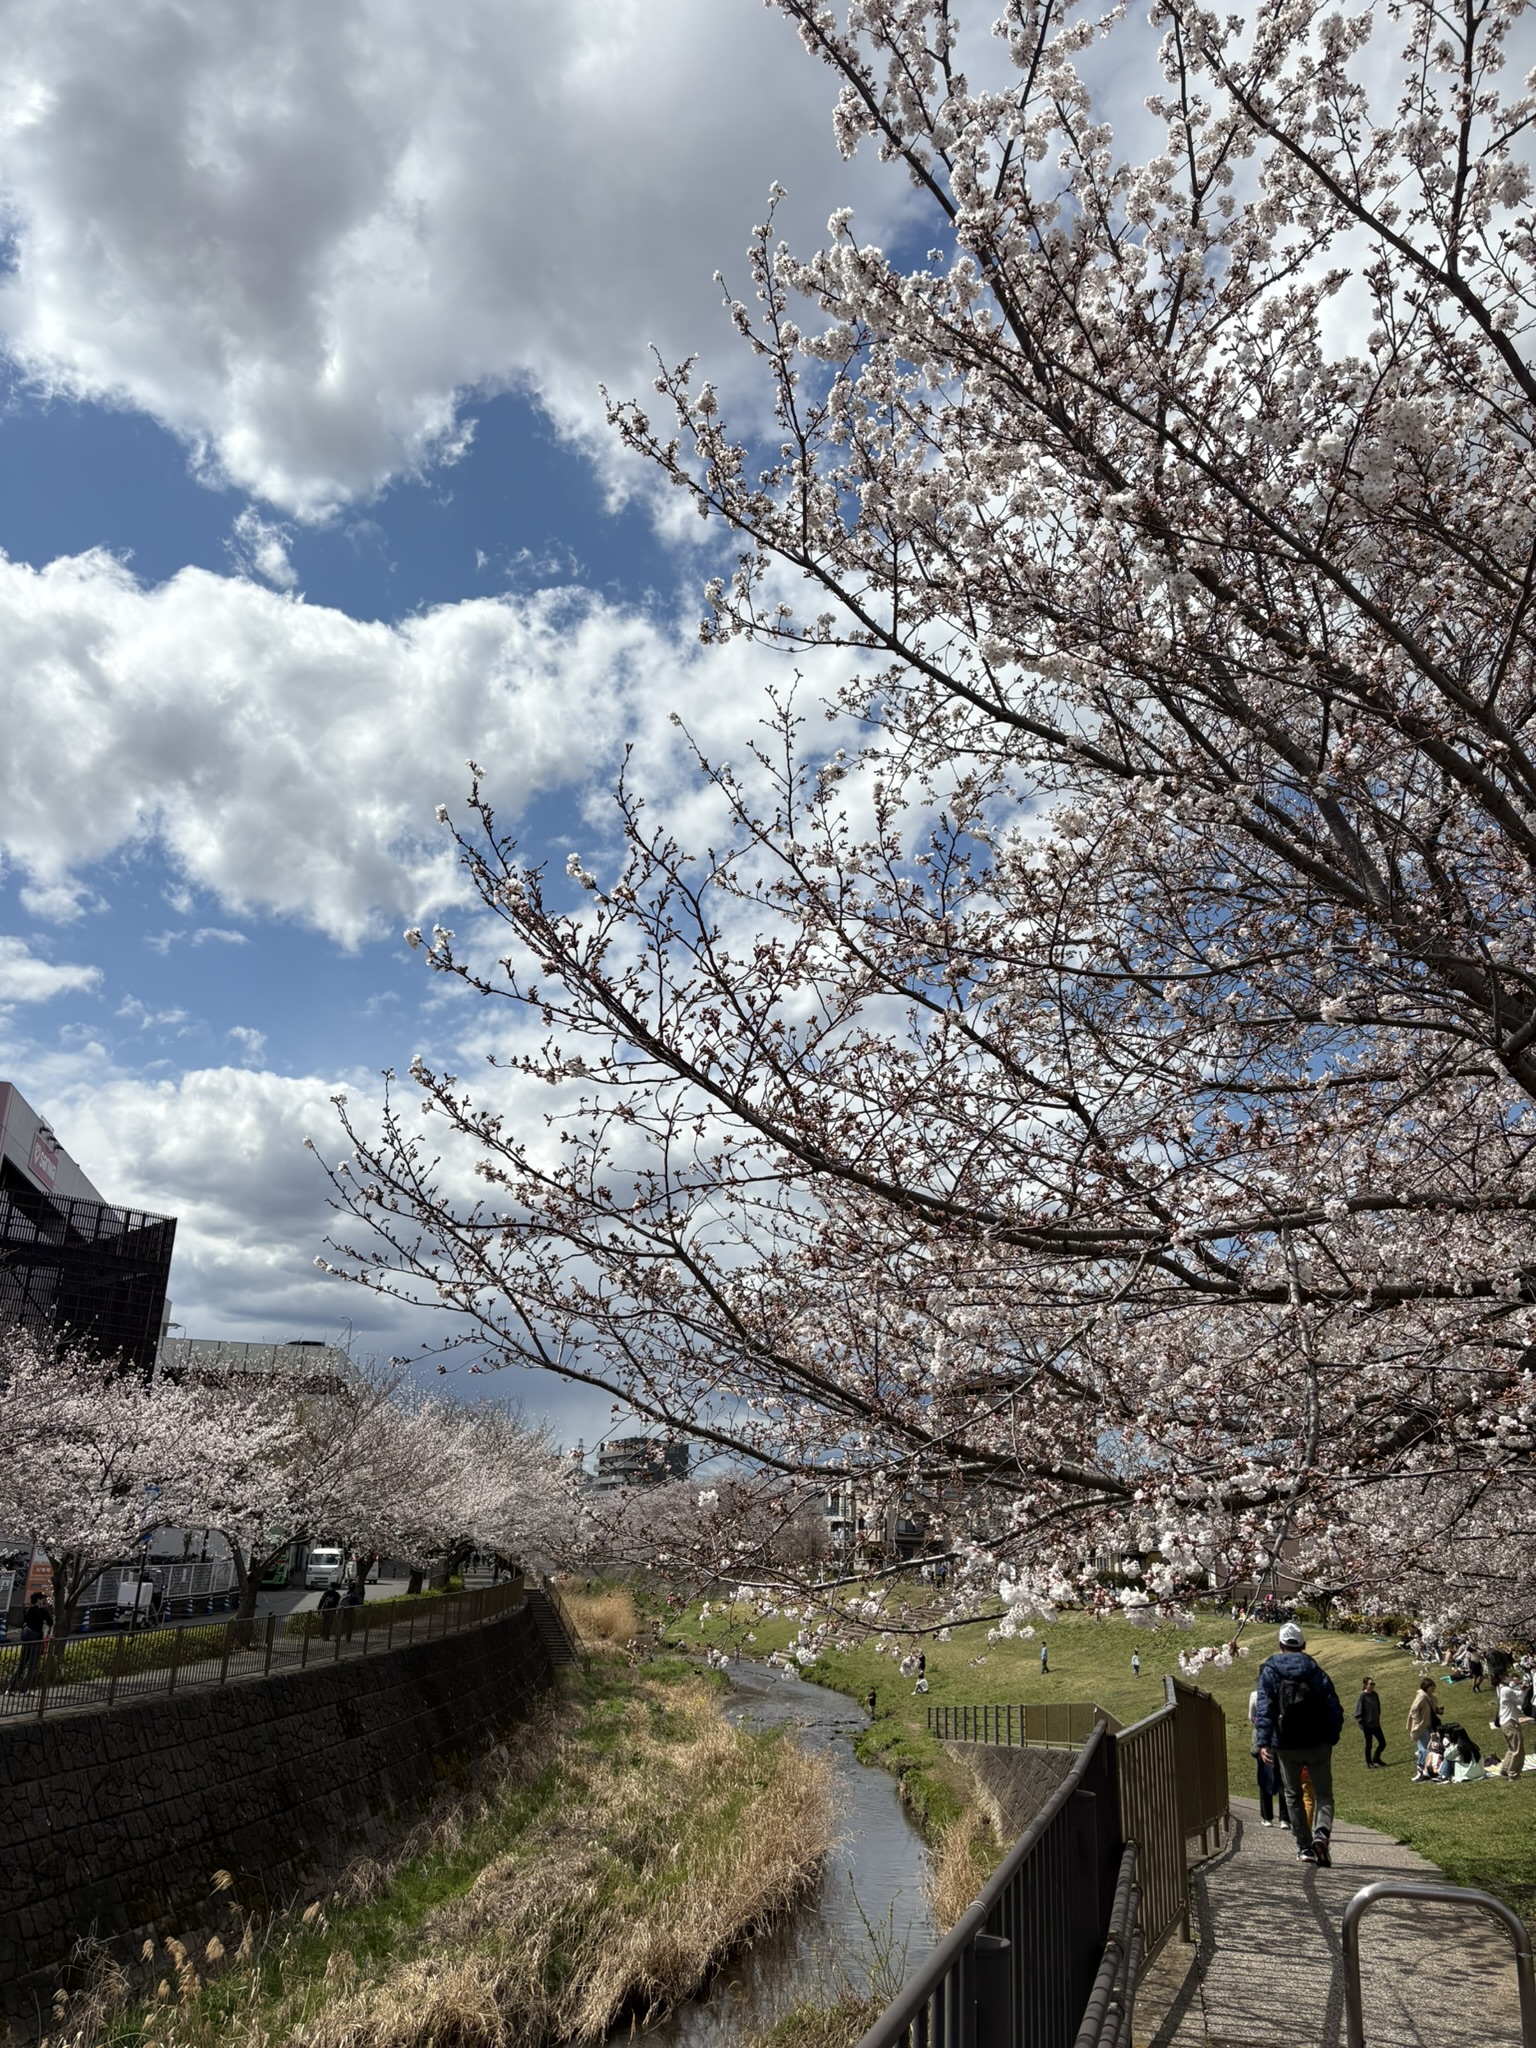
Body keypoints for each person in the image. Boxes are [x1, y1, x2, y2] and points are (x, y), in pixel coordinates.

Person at [1254, 1621, 1344, 1866]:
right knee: (1323, 1793)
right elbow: (1333, 1706)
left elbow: (1265, 1708)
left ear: (1280, 1645)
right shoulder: (1315, 1671)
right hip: (1317, 1743)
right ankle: (1321, 1834)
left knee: (1292, 1794)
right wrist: (1332, 1736)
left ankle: (1305, 1847)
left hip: (1285, 1744)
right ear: (1303, 1645)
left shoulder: (1270, 1671)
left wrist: (1264, 1742)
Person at [9, 1591, 53, 1692]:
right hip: (36, 1641)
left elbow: (25, 1622)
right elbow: (50, 1622)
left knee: (21, 1665)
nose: (43, 1600)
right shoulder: (42, 1611)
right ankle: (23, 1690)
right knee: (32, 1666)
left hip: (26, 1641)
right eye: (42, 1599)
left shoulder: (26, 1611)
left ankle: (10, 1689)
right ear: (38, 1600)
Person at [1493, 1674, 1526, 1779]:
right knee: (1518, 1749)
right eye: (1506, 1675)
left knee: (1511, 1748)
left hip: (1504, 1722)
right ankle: (1513, 1773)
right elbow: (1519, 1700)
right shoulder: (1506, 1690)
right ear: (1502, 1677)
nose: (1509, 1677)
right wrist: (1523, 1690)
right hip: (1510, 1722)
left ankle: (1505, 1769)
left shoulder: (1500, 1688)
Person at [1407, 1675, 1439, 1777]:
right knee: (1424, 1748)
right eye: (1431, 1687)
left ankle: (1427, 1767)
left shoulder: (1431, 1697)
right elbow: (1414, 1710)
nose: (1433, 1689)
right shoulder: (1421, 1696)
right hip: (1422, 1726)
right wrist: (1418, 1722)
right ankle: (1421, 1769)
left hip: (1429, 1725)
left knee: (1430, 1747)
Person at [1355, 1677, 1387, 1768]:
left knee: (1382, 1743)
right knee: (1368, 1744)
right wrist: (1362, 1724)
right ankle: (1369, 1763)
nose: (1373, 1686)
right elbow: (1358, 1713)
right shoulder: (1362, 1696)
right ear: (1365, 1685)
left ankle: (1376, 1757)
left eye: (1373, 1684)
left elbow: (1378, 1707)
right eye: (1371, 1684)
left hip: (1376, 1724)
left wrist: (1377, 1717)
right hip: (1367, 1726)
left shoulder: (1375, 1695)